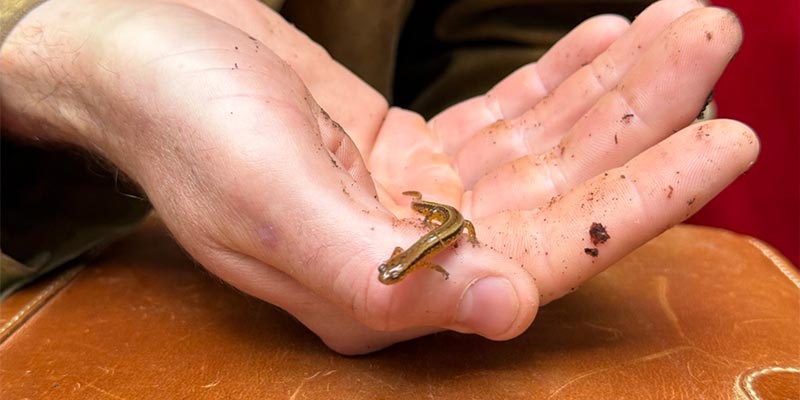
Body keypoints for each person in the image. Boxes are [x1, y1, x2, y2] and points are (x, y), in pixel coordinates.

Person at [0, 0, 759, 355]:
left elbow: (508, 29)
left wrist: (574, 139)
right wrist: (53, 44)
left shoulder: (429, 237)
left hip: (407, 158)